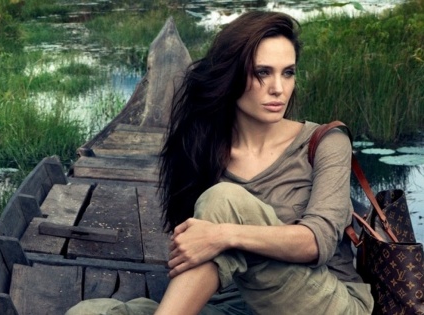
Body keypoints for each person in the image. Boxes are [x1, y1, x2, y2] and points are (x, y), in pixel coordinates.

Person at [65, 11, 373, 315]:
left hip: (326, 301)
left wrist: (225, 234)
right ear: (231, 75)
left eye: (288, 72)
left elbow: (316, 243)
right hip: (235, 304)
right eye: (262, 72)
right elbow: (191, 248)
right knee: (91, 312)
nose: (278, 88)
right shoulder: (204, 148)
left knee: (224, 199)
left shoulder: (326, 142)